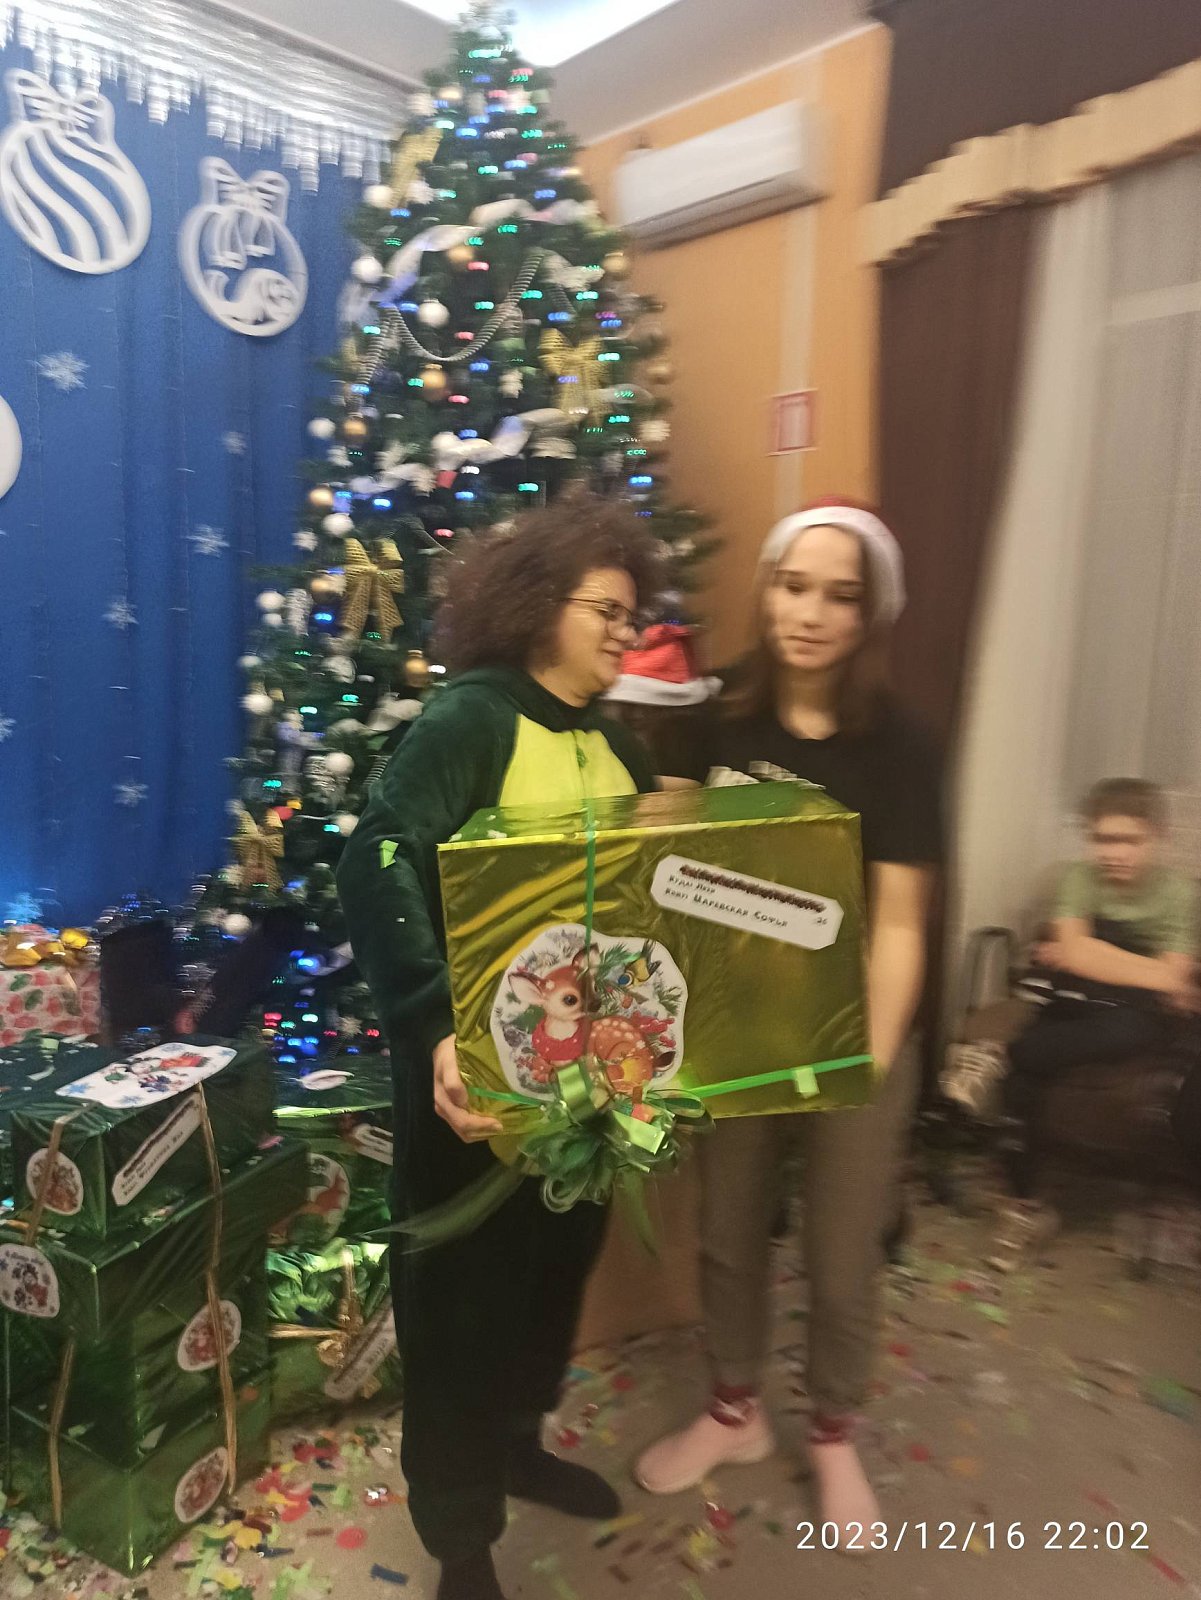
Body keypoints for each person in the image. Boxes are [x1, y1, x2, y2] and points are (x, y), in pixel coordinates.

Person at [336, 498, 660, 1600]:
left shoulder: (619, 745)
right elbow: (378, 855)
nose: (625, 631)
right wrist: (431, 1021)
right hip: (470, 1096)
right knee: (461, 1307)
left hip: (587, 1099)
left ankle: (519, 1445)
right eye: (607, 609)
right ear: (538, 606)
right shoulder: (469, 723)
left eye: (632, 613)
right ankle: (460, 1538)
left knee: (550, 1278)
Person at [635, 499, 942, 1543]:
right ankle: (735, 1412)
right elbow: (661, 864)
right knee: (727, 1230)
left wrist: (865, 1062)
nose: (810, 613)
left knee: (842, 1250)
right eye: (793, 586)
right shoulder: (713, 715)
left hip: (856, 1028)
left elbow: (898, 921)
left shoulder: (900, 745)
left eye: (839, 596)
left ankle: (833, 1430)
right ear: (767, 592)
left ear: (869, 614)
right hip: (737, 1025)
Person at [992, 778, 1199, 1270]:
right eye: (1103, 839)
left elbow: (1172, 978)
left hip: (1135, 1013)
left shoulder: (1178, 893)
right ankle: (1025, 1206)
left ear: (1156, 837)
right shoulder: (1078, 878)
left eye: (1129, 840)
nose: (1114, 853)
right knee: (1022, 1077)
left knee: (1066, 1043)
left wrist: (1088, 952)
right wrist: (1131, 965)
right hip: (1080, 999)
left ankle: (1001, 1054)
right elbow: (1081, 958)